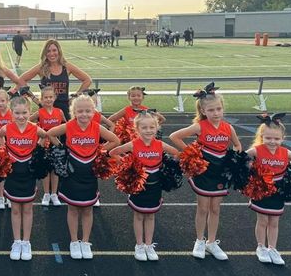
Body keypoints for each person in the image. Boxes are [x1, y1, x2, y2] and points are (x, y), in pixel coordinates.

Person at [169, 83, 241, 261]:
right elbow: (174, 136)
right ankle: (199, 241)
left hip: (220, 172)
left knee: (215, 208)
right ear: (203, 110)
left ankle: (211, 242)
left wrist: (236, 157)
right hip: (204, 172)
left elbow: (238, 145)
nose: (216, 113)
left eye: (218, 109)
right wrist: (192, 154)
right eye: (211, 110)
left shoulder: (228, 128)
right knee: (202, 208)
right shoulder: (200, 126)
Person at [47, 95, 119, 260]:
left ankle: (85, 242)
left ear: (93, 112)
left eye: (88, 111)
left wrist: (100, 151)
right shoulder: (69, 125)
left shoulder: (97, 127)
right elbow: (50, 134)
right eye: (80, 111)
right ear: (74, 112)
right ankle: (74, 241)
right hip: (72, 174)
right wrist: (62, 149)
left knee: (87, 209)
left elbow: (115, 140)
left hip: (89, 175)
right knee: (72, 209)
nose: (84, 114)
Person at [110, 111, 179, 261]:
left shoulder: (160, 144)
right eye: (144, 128)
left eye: (152, 127)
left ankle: (149, 244)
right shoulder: (133, 144)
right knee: (139, 215)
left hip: (155, 187)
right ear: (137, 129)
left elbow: (176, 153)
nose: (148, 131)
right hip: (139, 187)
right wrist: (128, 166)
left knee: (150, 216)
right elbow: (113, 152)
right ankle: (139, 245)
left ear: (157, 128)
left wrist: (168, 167)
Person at [0, 96, 47, 261]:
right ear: (12, 113)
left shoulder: (34, 128)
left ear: (29, 112)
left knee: (27, 209)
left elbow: (44, 135)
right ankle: (17, 241)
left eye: (24, 112)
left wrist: (38, 151)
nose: (21, 116)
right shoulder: (7, 128)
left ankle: (27, 242)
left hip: (28, 174)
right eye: (17, 113)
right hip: (13, 174)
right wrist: (3, 150)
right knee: (15, 209)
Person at [246, 113, 291, 265]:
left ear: (282, 138)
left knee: (274, 221)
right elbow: (242, 157)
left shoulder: (285, 152)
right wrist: (250, 169)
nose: (272, 142)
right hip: (261, 190)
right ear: (262, 137)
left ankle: (272, 248)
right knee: (262, 220)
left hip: (278, 192)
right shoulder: (257, 150)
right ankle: (261, 247)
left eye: (276, 139)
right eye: (268, 138)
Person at [20, 39, 92, 121]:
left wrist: (75, 97)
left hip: (64, 109)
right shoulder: (41, 68)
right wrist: (34, 99)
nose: (51, 54)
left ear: (59, 51)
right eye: (48, 51)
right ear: (45, 53)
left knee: (65, 133)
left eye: (54, 50)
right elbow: (21, 80)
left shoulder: (67, 67)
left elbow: (87, 80)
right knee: (46, 133)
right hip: (46, 109)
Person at [29, 85, 66, 206]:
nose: (48, 99)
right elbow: (28, 123)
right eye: (46, 97)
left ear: (54, 98)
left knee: (55, 169)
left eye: (50, 97)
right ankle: (46, 194)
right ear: (42, 99)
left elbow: (66, 126)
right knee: (45, 169)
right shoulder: (39, 112)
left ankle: (54, 194)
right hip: (43, 144)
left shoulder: (59, 112)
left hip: (56, 144)